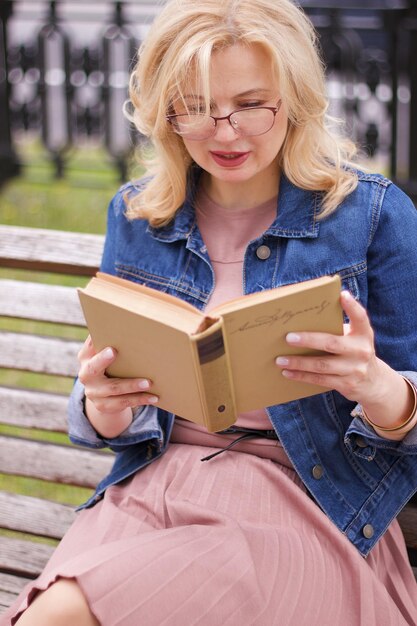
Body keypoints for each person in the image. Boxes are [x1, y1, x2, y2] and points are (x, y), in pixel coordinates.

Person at [4, 0, 417, 624]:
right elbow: (112, 403)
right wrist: (102, 406)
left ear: (296, 98)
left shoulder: (373, 216)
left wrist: (379, 388)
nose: (225, 133)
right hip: (150, 496)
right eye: (196, 106)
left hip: (307, 508)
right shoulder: (140, 216)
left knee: (61, 614)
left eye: (252, 104)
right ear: (165, 111)